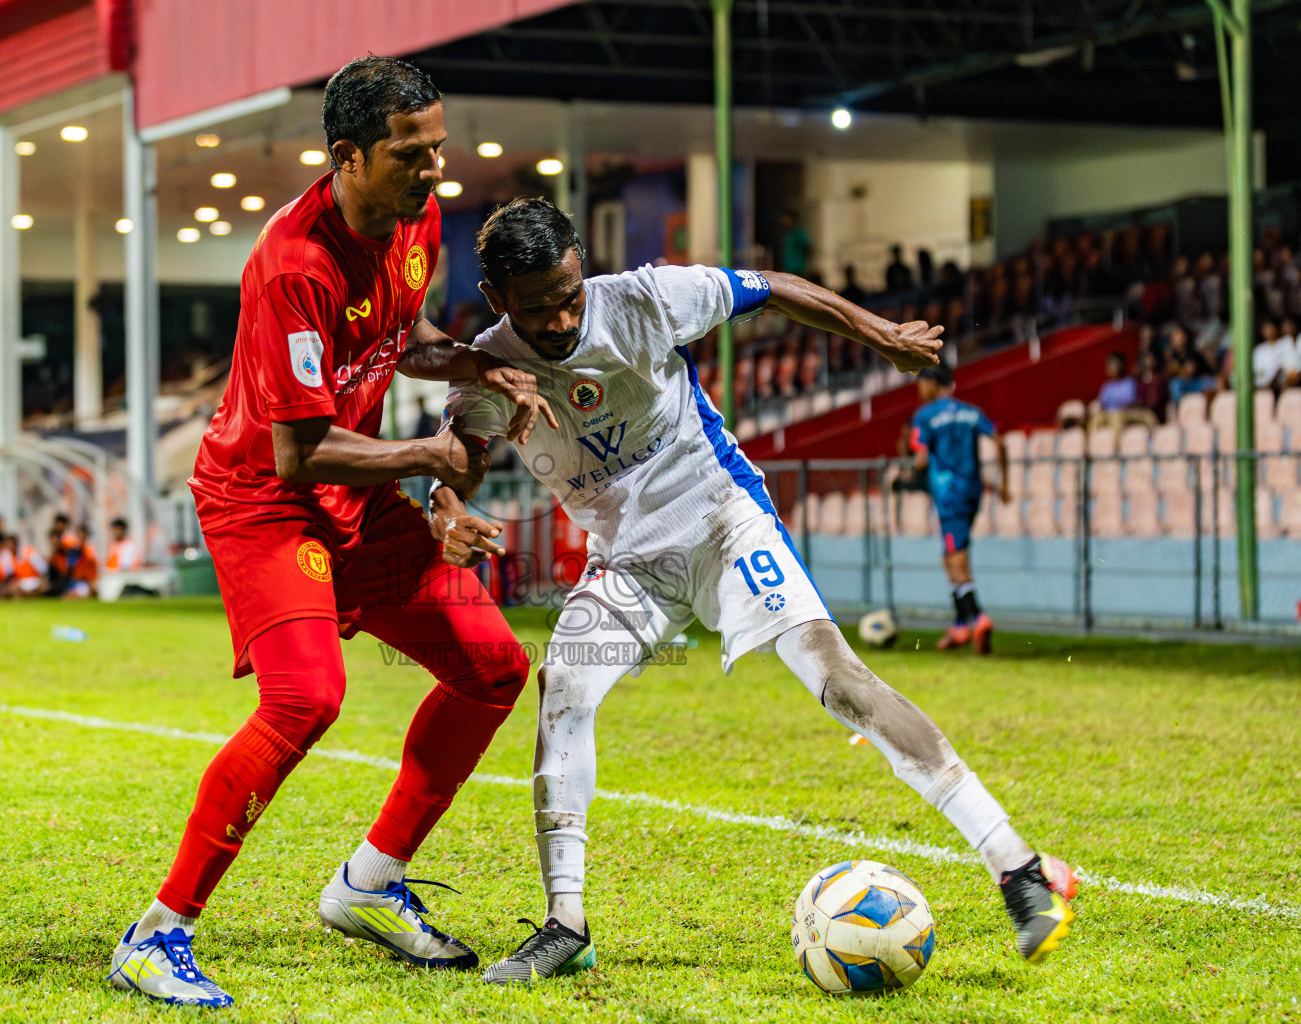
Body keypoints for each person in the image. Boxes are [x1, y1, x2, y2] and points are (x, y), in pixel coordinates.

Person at [435, 198, 1075, 984]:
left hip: (722, 521)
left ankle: (1018, 866)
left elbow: (771, 287)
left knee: (840, 680)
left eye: (570, 295)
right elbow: (454, 459)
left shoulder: (642, 299)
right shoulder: (488, 367)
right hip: (628, 562)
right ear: (496, 298)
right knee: (563, 682)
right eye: (539, 308)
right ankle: (565, 924)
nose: (563, 319)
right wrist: (447, 508)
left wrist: (881, 335)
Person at [109, 57, 555, 1008]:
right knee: (305, 699)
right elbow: (298, 451)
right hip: (264, 500)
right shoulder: (293, 264)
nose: (433, 168)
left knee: (494, 668)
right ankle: (157, 934)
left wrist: (477, 367)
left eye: (437, 147)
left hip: (356, 493)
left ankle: (370, 884)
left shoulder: (414, 219)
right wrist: (433, 459)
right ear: (347, 156)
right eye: (410, 153)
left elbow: (401, 338)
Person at [910, 364, 1008, 653]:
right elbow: (1000, 442)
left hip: (949, 494)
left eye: (921, 383)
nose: (919, 390)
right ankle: (960, 625)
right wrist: (1005, 483)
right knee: (950, 554)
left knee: (956, 559)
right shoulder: (971, 411)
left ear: (931, 382)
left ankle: (978, 618)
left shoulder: (925, 415)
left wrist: (911, 470)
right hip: (971, 491)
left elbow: (920, 459)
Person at [1088, 352, 1157, 437]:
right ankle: (1091, 443)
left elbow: (1130, 402)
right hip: (1108, 413)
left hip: (1126, 412)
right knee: (1096, 419)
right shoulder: (1107, 386)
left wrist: (1115, 409)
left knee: (1117, 416)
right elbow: (1102, 403)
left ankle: (1116, 444)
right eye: (1108, 364)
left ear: (1121, 365)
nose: (1109, 367)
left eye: (1112, 364)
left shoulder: (1129, 383)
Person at [777, 209, 811, 277]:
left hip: (797, 268)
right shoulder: (788, 234)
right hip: (787, 267)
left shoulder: (799, 234)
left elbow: (808, 248)